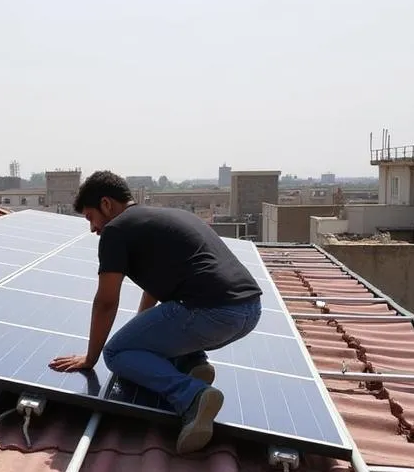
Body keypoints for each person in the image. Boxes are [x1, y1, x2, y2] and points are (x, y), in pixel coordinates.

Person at [49, 170, 262, 454]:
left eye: (90, 217)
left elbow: (106, 302)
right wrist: (141, 336)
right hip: (248, 311)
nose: (92, 228)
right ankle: (191, 364)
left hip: (210, 312)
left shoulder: (116, 231)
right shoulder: (164, 218)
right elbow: (154, 289)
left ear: (106, 204)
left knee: (116, 353)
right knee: (139, 341)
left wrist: (91, 358)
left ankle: (193, 397)